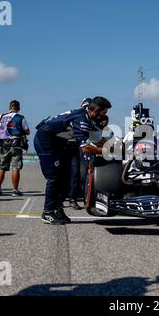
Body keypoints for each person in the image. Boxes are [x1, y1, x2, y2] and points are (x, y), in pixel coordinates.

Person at [34, 96, 112, 225]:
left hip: (58, 142)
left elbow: (98, 140)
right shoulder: (81, 119)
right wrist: (108, 151)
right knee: (54, 177)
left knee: (67, 177)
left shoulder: (88, 117)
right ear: (96, 111)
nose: (103, 117)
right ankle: (47, 211)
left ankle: (57, 208)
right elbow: (86, 148)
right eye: (103, 113)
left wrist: (114, 147)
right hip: (46, 141)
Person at [0, 100, 30, 197]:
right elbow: (27, 131)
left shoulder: (2, 116)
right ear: (18, 108)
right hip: (16, 145)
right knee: (16, 168)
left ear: (10, 107)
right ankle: (15, 190)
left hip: (4, 145)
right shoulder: (20, 117)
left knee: (1, 168)